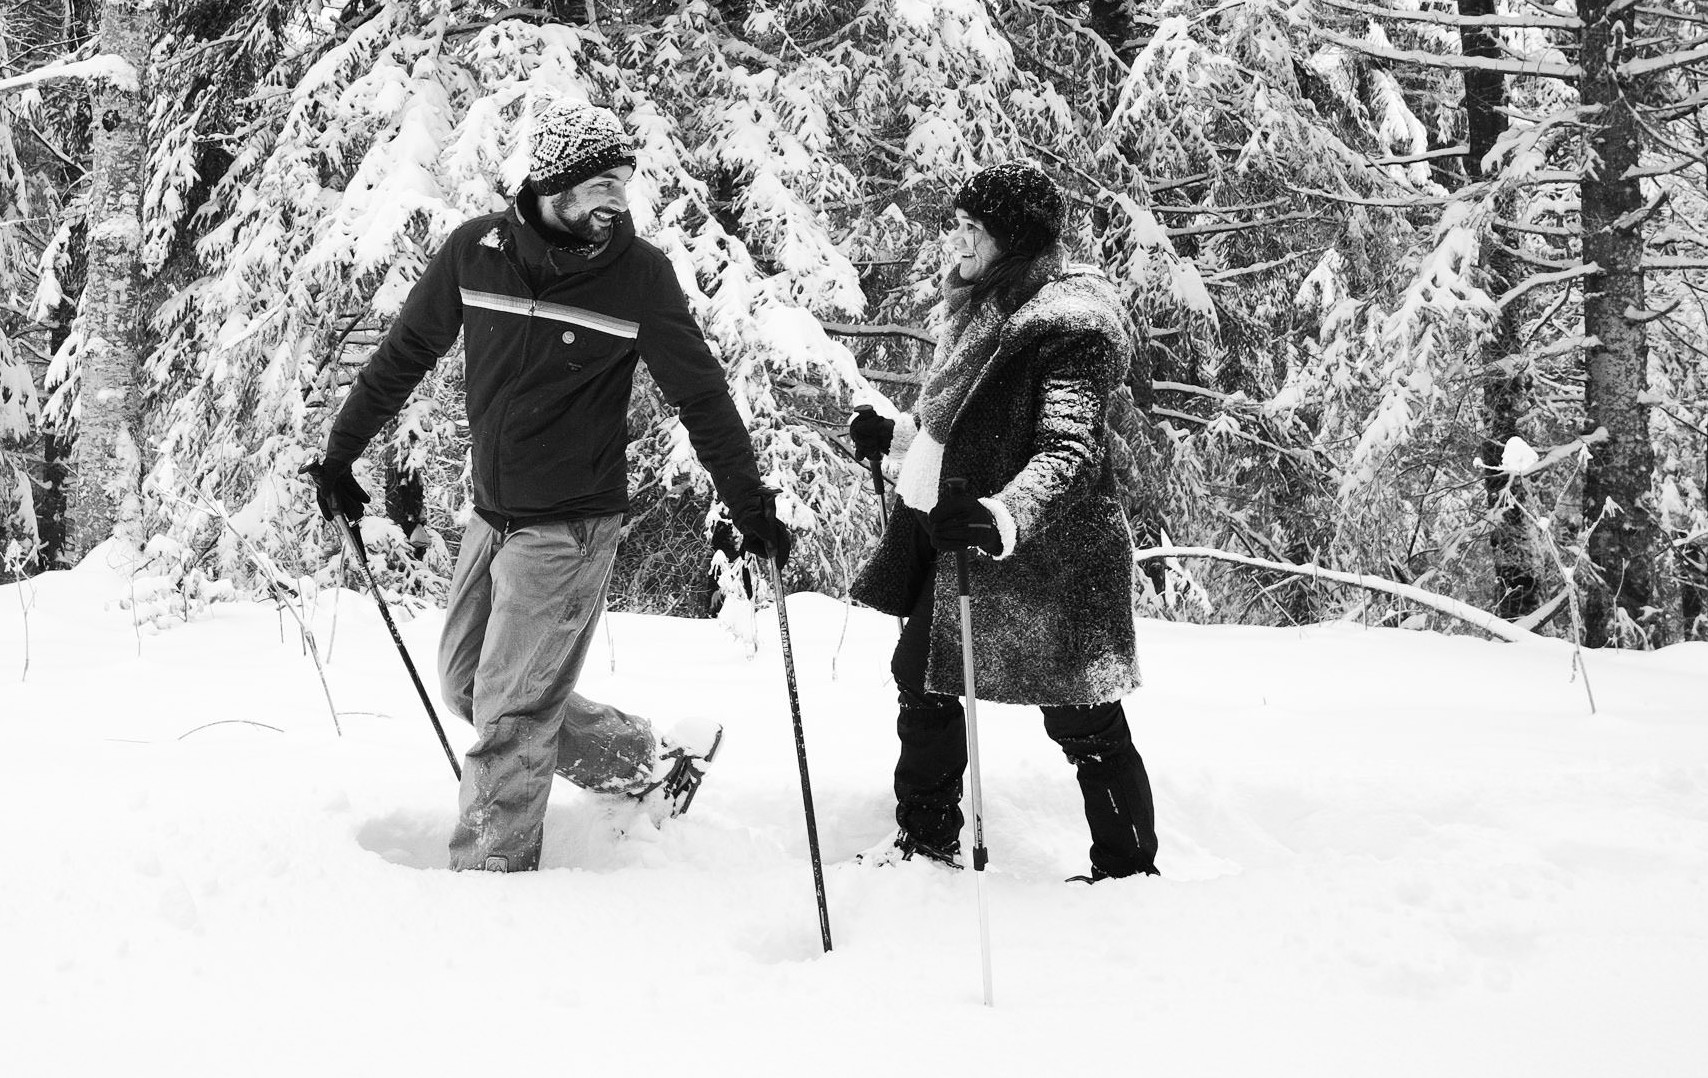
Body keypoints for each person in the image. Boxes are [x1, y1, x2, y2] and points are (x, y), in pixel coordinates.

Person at [313, 101, 793, 873]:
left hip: (571, 527)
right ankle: (649, 763)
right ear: (554, 184)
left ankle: (491, 883)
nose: (618, 201)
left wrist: (749, 504)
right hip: (493, 514)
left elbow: (700, 395)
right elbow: (405, 353)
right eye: (603, 182)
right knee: (471, 683)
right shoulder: (477, 252)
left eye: (625, 183)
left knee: (509, 713)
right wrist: (341, 457)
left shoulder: (638, 278)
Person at [847, 159, 1158, 882]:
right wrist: (894, 436)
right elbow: (958, 428)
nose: (956, 242)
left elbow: (1069, 452)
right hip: (969, 537)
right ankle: (925, 842)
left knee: (1081, 717)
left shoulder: (1067, 326)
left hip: (1051, 554)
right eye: (955, 225)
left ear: (1011, 240)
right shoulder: (983, 305)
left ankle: (1129, 871)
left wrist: (1000, 516)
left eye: (972, 230)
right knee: (923, 677)